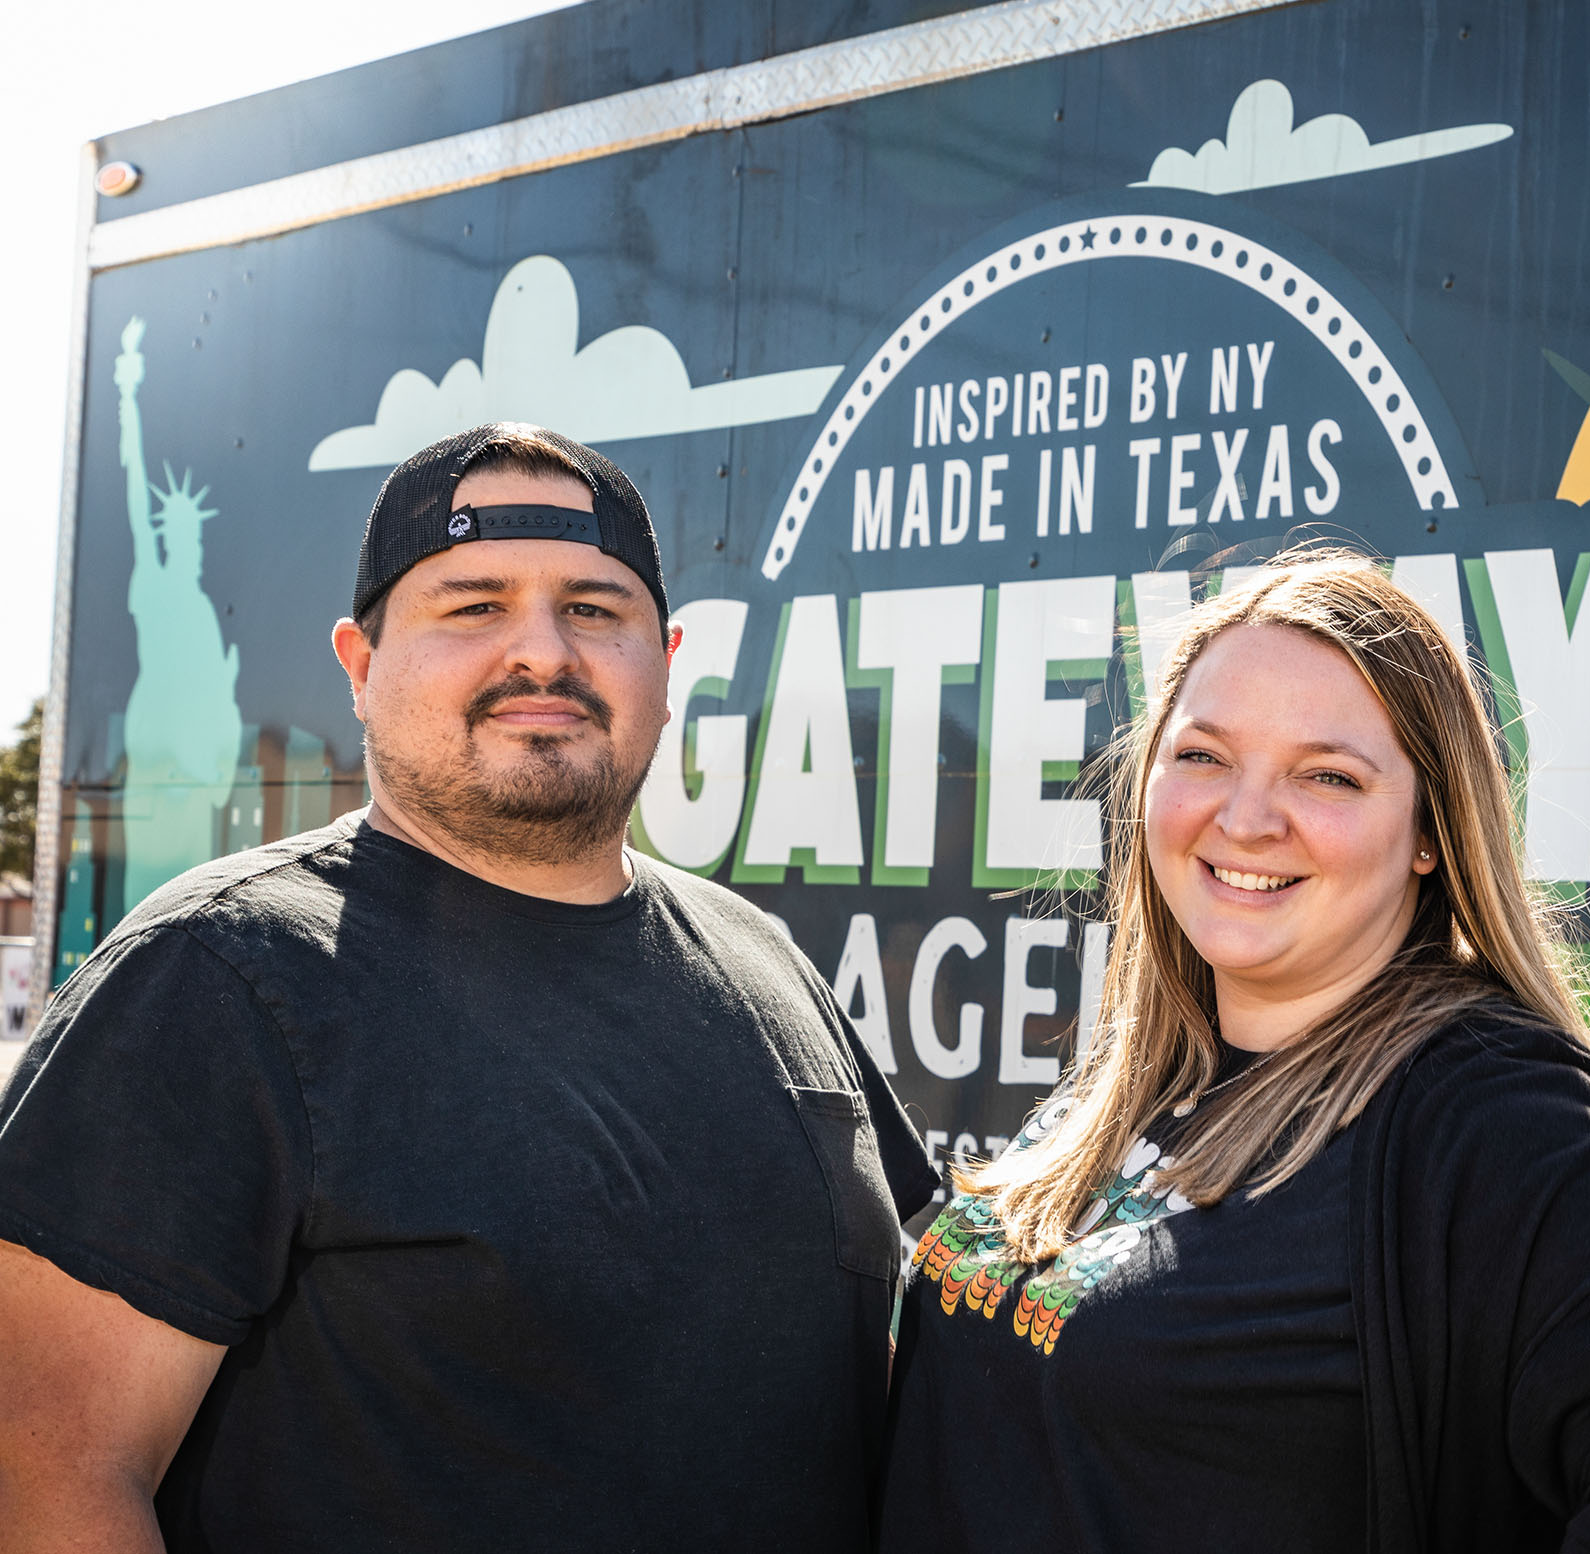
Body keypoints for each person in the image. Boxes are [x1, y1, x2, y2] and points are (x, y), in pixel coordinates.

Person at [0, 424, 936, 1552]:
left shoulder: (768, 963)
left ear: (667, 659)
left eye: (595, 608)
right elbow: (46, 1473)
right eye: (474, 604)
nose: (543, 653)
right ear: (358, 664)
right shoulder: (218, 979)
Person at [881, 552, 1590, 1552]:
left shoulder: (1493, 1117)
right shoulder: (1136, 1087)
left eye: (1327, 775)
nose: (1245, 818)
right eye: (1202, 756)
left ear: (1430, 831)